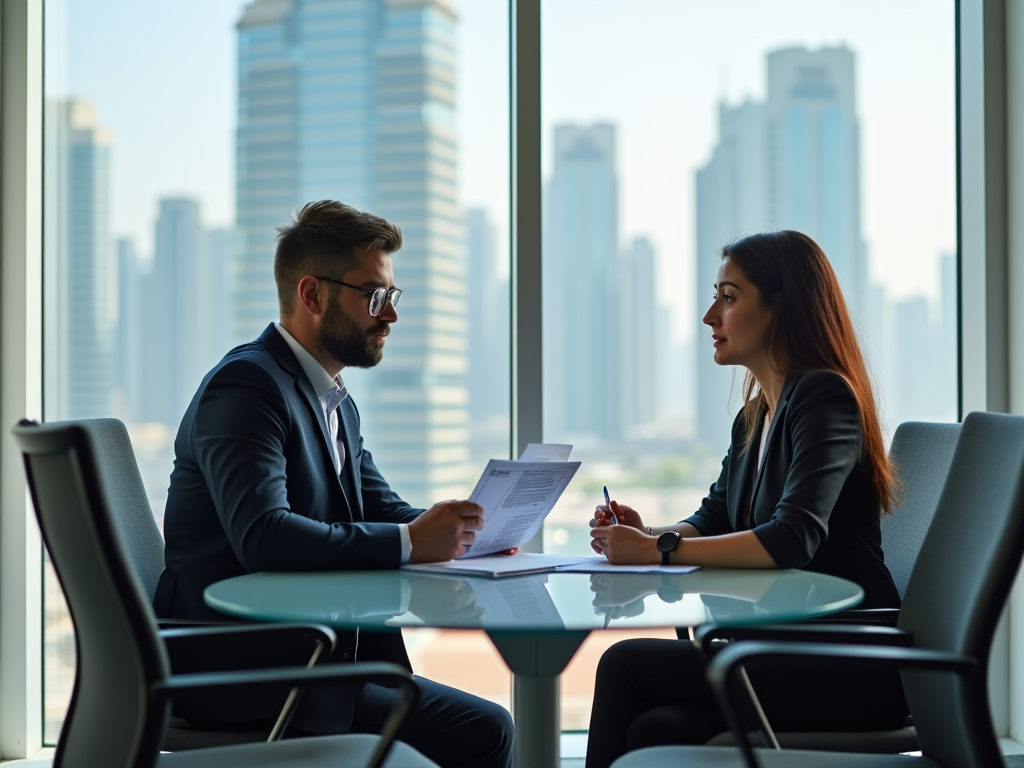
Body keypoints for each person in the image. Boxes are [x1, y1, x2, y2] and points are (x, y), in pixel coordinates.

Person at [153, 200, 513, 768]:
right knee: (485, 731)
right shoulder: (246, 386)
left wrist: (471, 530)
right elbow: (265, 535)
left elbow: (383, 507)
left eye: (392, 297)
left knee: (485, 726)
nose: (390, 315)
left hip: (308, 655)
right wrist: (414, 543)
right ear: (312, 295)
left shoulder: (332, 399)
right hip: (241, 669)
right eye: (374, 296)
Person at [585, 230, 906, 768]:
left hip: (845, 662)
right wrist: (650, 534)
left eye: (729, 298)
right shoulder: (754, 416)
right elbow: (712, 518)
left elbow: (791, 538)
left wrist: (659, 551)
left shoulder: (826, 397)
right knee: (653, 729)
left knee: (624, 664)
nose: (711, 315)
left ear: (782, 308)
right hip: (782, 651)